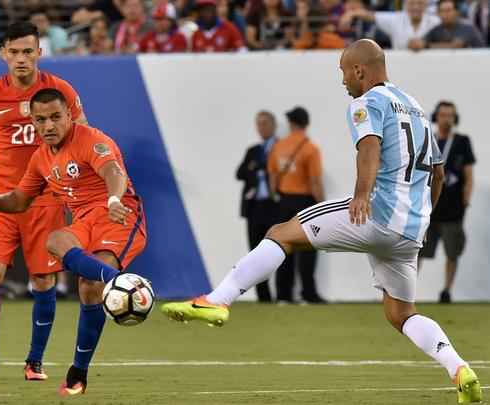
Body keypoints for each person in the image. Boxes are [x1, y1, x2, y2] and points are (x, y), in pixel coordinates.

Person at [161, 39, 482, 404]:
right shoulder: (417, 108)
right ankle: (458, 368)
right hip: (410, 230)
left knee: (281, 233)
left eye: (344, 71)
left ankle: (218, 299)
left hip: (375, 211)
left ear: (359, 70)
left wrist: (362, 194)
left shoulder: (367, 102)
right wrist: (422, 218)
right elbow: (437, 175)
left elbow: (369, 147)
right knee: (401, 313)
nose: (343, 79)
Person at [0, 88, 147, 396]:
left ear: (69, 115)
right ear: (33, 123)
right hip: (84, 222)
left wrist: (115, 198)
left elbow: (113, 172)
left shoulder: (92, 139)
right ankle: (121, 283)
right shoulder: (40, 158)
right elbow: (19, 200)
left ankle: (78, 371)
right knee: (55, 240)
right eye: (40, 120)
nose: (48, 126)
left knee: (89, 286)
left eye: (55, 117)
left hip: (119, 215)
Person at [0, 22, 88, 382]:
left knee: (43, 282)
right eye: (13, 52)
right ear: (4, 54)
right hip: (1, 198)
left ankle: (35, 360)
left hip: (45, 200)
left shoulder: (59, 91)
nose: (20, 59)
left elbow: (83, 138)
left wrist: (79, 192)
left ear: (39, 54)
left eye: (27, 51)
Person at [419, 101, 475, 304]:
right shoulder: (428, 140)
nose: (447, 119)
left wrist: (465, 202)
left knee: (452, 253)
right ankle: (408, 291)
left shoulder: (462, 142)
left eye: (451, 115)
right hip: (429, 209)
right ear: (436, 117)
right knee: (418, 251)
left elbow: (468, 177)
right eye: (443, 115)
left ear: (455, 118)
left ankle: (446, 291)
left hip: (453, 210)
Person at [268, 106, 325, 303]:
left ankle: (283, 295)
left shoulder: (278, 146)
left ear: (291, 123)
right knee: (308, 249)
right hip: (305, 202)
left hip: (284, 202)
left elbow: (273, 177)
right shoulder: (310, 148)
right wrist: (321, 204)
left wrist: (277, 196)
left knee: (283, 247)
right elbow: (315, 182)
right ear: (306, 123)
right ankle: (308, 294)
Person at [236, 111, 279, 302]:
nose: (261, 128)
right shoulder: (253, 150)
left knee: (278, 250)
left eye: (264, 124)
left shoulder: (281, 147)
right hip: (254, 207)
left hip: (274, 206)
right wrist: (255, 168)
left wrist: (262, 168)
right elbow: (240, 173)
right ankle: (264, 296)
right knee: (256, 252)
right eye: (258, 124)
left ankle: (284, 294)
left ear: (273, 125)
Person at [338, 0, 440, 49]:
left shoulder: (435, 21)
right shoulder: (396, 19)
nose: (415, 7)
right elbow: (371, 16)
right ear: (406, 5)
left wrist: (425, 44)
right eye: (412, 4)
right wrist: (351, 13)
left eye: (419, 4)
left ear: (426, 5)